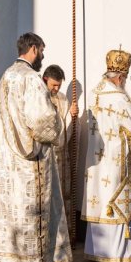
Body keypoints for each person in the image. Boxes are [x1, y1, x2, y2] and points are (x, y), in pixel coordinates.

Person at [0, 33, 70, 262]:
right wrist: (58, 126)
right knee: (35, 208)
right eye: (42, 50)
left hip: (8, 157)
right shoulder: (31, 78)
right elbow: (42, 119)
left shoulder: (6, 76)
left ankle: (10, 261)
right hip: (32, 159)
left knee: (14, 209)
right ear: (33, 49)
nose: (43, 55)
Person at [82, 48, 131, 262]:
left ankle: (98, 250)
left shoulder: (95, 94)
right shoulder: (120, 100)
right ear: (121, 77)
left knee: (101, 198)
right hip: (117, 160)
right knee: (119, 195)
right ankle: (119, 253)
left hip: (97, 162)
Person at [42, 64, 79, 234]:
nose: (56, 89)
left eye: (59, 85)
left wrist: (71, 115)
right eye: (53, 85)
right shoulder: (38, 97)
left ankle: (63, 235)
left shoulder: (63, 99)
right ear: (45, 80)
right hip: (44, 155)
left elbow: (66, 128)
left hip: (60, 155)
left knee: (62, 195)